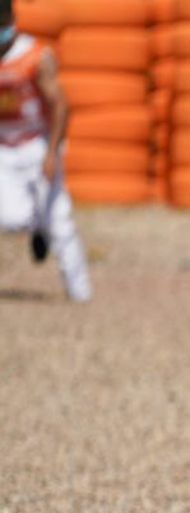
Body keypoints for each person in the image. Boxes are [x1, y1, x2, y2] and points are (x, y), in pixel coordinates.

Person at [0, 0, 91, 302]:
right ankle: (36, 226)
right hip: (4, 148)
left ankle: (80, 295)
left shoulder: (35, 56)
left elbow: (60, 105)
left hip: (36, 145)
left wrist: (52, 152)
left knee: (60, 221)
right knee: (10, 218)